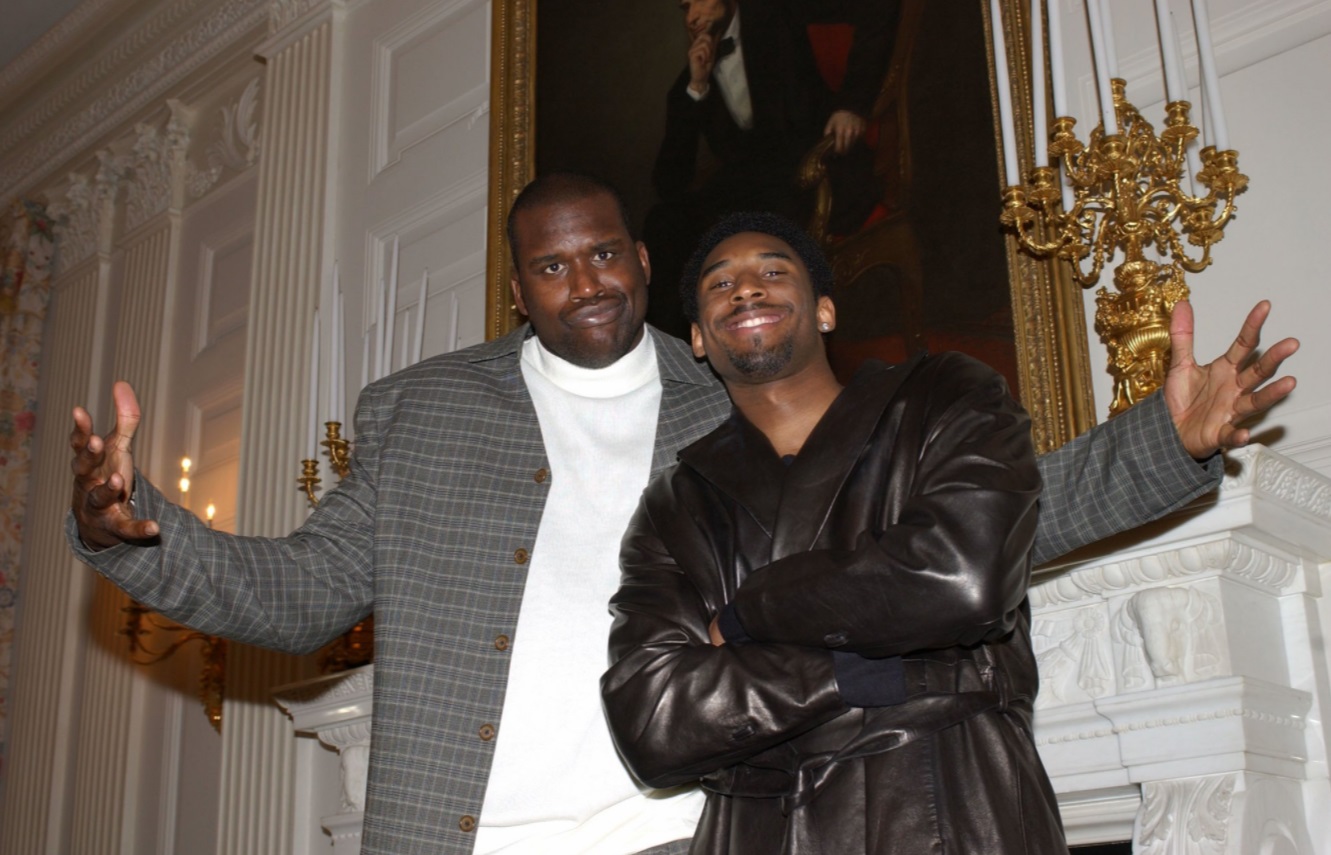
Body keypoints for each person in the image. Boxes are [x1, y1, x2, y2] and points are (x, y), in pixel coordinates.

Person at [68, 174, 1296, 855]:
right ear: (519, 287)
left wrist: (1161, 443)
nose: (584, 280)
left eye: (604, 255)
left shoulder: (727, 395)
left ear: (644, 266)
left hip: (680, 830)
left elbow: (1000, 512)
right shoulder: (421, 412)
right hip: (459, 835)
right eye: (552, 265)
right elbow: (303, 590)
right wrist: (141, 531)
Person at [600, 211, 1287, 853]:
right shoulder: (673, 501)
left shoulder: (943, 395)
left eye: (774, 270)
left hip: (948, 804)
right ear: (696, 336)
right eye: (719, 283)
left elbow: (962, 578)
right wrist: (878, 671)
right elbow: (652, 719)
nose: (746, 286)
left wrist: (752, 611)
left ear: (825, 309)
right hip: (756, 830)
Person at [645, 0, 897, 337]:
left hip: (816, 173)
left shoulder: (778, 12)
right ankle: (681, 363)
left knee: (762, 220)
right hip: (752, 191)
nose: (691, 18)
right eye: (684, 8)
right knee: (664, 223)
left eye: (698, 1)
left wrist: (852, 104)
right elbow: (669, 184)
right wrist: (697, 88)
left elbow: (878, 8)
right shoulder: (690, 81)